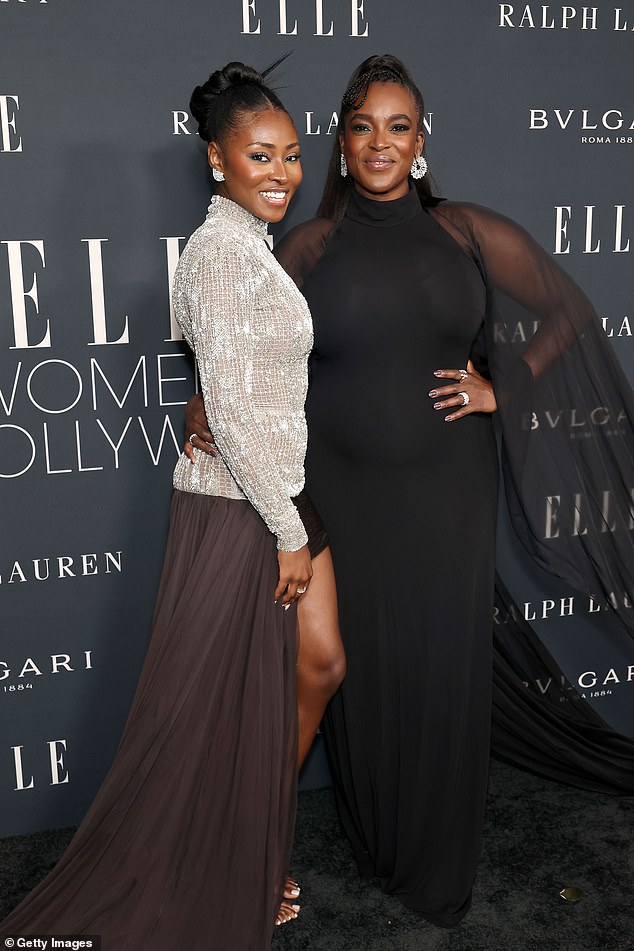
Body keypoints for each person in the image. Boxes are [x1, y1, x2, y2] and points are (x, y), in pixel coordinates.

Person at [185, 54, 634, 928]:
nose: (380, 142)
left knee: (440, 661)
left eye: (399, 127)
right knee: (366, 668)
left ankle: (434, 850)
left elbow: (567, 308)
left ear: (420, 143)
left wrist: (508, 382)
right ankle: (382, 832)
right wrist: (204, 405)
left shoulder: (466, 231)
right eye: (363, 126)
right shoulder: (307, 248)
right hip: (344, 494)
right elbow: (242, 346)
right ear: (343, 143)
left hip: (447, 490)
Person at [1, 60, 343, 950]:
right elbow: (228, 411)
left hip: (268, 495)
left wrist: (286, 503)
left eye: (293, 156)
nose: (281, 172)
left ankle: (247, 852)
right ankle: (227, 866)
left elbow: (236, 392)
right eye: (259, 154)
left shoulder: (246, 249)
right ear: (216, 160)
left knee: (302, 673)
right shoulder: (220, 255)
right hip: (244, 513)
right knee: (209, 709)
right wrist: (289, 529)